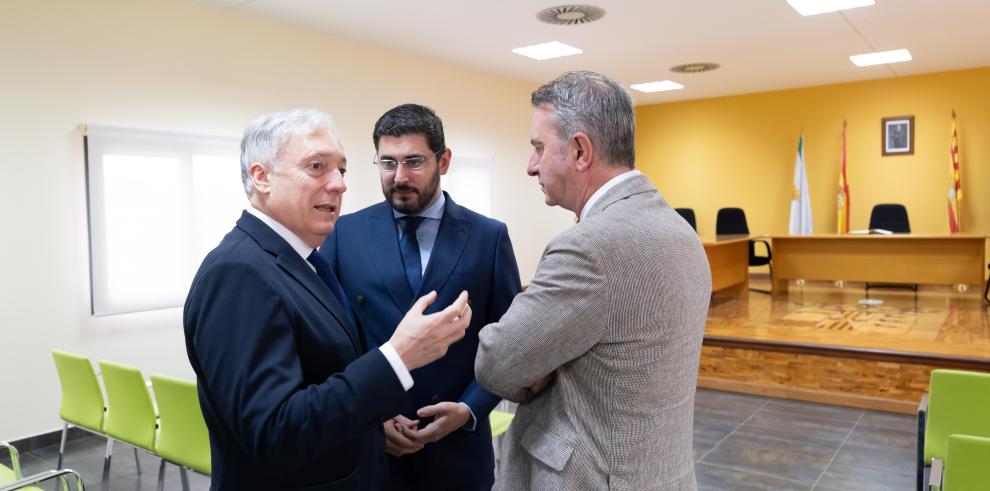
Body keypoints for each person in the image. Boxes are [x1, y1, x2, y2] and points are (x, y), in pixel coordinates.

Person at [183, 109, 472, 490]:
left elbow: (325, 378)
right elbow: (275, 434)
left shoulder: (305, 262)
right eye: (317, 167)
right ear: (262, 177)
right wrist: (397, 357)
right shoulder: (238, 273)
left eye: (342, 170)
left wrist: (373, 417)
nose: (338, 184)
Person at [475, 71, 712, 490]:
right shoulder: (682, 232)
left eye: (539, 147)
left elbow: (495, 364)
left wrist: (539, 366)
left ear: (580, 150)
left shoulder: (587, 249)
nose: (531, 165)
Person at [320, 103, 522, 490]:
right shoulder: (345, 235)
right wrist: (372, 417)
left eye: (414, 161)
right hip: (370, 448)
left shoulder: (487, 237)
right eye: (387, 163)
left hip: (458, 455)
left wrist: (469, 409)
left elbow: (510, 347)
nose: (399, 177)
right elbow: (331, 339)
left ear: (443, 161)